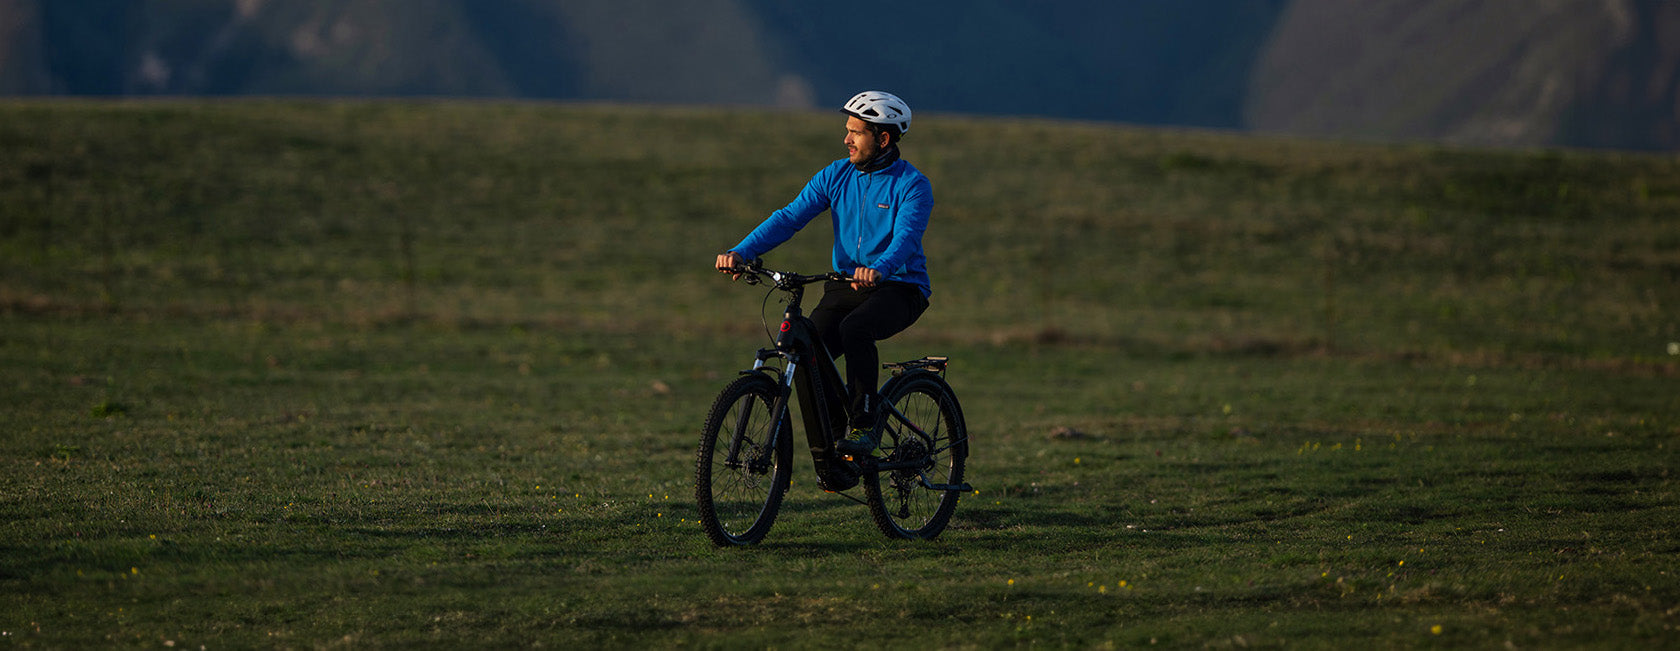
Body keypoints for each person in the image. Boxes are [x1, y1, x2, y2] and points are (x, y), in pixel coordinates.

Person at [715, 90, 933, 455]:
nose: (846, 139)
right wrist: (742, 251)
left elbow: (906, 239)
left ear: (882, 139)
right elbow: (789, 218)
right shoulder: (836, 175)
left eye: (856, 132)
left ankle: (864, 427)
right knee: (806, 351)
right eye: (847, 130)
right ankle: (836, 447)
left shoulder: (912, 185)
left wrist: (879, 269)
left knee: (855, 329)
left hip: (899, 287)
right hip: (846, 285)